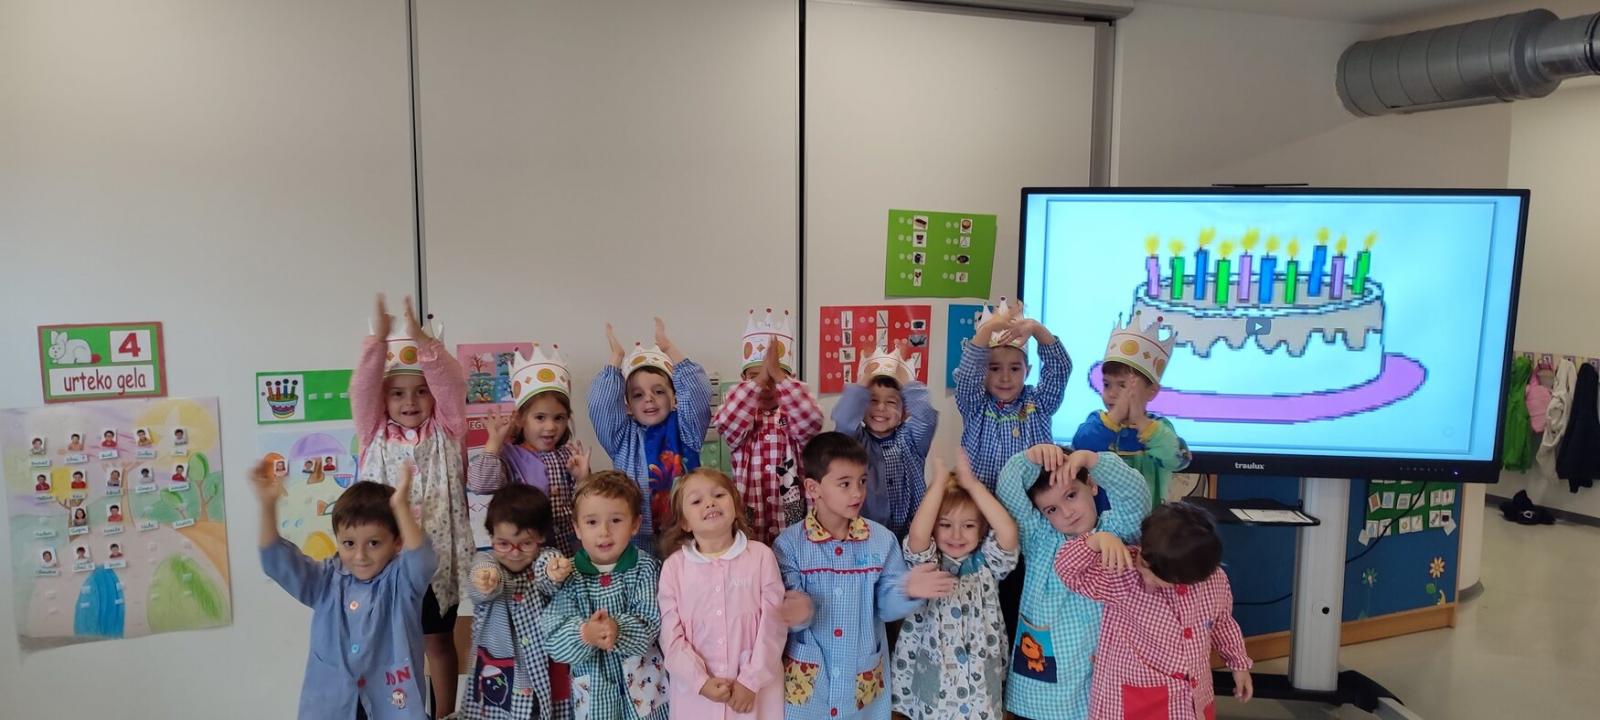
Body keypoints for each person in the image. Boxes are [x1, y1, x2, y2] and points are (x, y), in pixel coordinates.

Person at [773, 433, 955, 720]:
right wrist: (799, 611)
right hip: (809, 690)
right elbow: (790, 610)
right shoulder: (789, 545)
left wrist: (907, 589)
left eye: (862, 481)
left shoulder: (881, 541)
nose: (857, 493)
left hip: (860, 686)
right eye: (844, 483)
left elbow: (886, 607)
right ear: (813, 488)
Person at [352, 293, 474, 717]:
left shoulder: (448, 429)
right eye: (398, 393)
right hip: (386, 566)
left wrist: (424, 344)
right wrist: (377, 342)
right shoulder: (372, 432)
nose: (410, 402)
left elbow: (451, 383)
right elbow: (362, 388)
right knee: (391, 646)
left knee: (438, 641)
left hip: (437, 565)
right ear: (382, 399)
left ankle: (444, 713)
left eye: (422, 391)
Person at [254, 457, 434, 719]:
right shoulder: (325, 580)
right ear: (337, 540)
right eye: (349, 543)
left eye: (374, 543)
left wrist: (401, 507)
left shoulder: (401, 582)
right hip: (332, 707)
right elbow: (276, 562)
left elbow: (423, 559)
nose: (360, 556)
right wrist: (267, 505)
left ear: (397, 543)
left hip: (392, 707)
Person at [1055, 502, 1254, 718]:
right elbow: (1068, 570)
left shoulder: (1213, 581)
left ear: (1186, 579)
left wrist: (1238, 665)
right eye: (1144, 562)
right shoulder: (1124, 572)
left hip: (1190, 699)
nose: (1146, 576)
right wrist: (1096, 540)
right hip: (1132, 698)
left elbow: (1222, 624)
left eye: (1157, 578)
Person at [996, 445, 1150, 720]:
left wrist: (1093, 461)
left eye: (1071, 495)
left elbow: (1135, 494)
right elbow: (1008, 489)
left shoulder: (1118, 531)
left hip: (1101, 686)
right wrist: (1028, 459)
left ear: (1091, 485)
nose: (1067, 513)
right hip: (1043, 693)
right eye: (1052, 509)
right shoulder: (1039, 538)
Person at [889, 452, 1018, 720]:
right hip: (936, 681)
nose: (956, 535)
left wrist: (973, 485)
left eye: (968, 525)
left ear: (981, 530)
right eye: (945, 524)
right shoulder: (928, 566)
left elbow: (1007, 533)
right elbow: (917, 536)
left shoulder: (988, 565)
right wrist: (938, 485)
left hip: (978, 681)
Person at [657, 468, 786, 719]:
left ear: (736, 507)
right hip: (696, 698)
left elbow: (774, 624)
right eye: (696, 501)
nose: (710, 503)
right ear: (684, 522)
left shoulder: (761, 557)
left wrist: (751, 681)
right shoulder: (674, 568)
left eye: (718, 495)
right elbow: (670, 636)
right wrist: (700, 681)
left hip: (755, 695)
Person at [541, 471, 668, 720]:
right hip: (595, 698)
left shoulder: (646, 568)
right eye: (592, 522)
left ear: (635, 524)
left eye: (616, 520)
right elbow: (552, 634)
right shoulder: (569, 575)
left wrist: (617, 629)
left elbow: (651, 621)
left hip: (646, 696)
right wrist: (584, 633)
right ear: (577, 528)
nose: (604, 532)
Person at [588, 318, 711, 549]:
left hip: (685, 532)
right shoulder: (622, 437)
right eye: (638, 395)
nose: (649, 399)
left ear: (673, 398)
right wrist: (615, 360)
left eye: (658, 391)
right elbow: (600, 406)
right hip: (636, 536)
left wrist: (669, 349)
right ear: (627, 405)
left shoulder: (685, 428)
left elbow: (698, 394)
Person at [463, 484, 574, 720]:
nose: (514, 553)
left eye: (525, 543)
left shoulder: (544, 559)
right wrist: (485, 580)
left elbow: (548, 569)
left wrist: (555, 571)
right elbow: (482, 577)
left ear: (541, 537)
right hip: (500, 673)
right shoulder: (487, 562)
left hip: (543, 671)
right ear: (491, 536)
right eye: (503, 544)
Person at [472, 342, 590, 556]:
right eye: (540, 418)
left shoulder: (568, 454)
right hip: (528, 556)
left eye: (559, 418)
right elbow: (481, 485)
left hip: (571, 552)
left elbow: (587, 506)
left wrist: (583, 478)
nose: (551, 427)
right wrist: (494, 444)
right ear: (519, 419)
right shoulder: (510, 456)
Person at [715, 314, 823, 544]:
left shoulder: (791, 415)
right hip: (750, 517)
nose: (765, 386)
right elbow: (725, 421)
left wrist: (779, 376)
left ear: (788, 380)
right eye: (755, 378)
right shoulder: (744, 418)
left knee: (791, 558)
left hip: (792, 518)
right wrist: (763, 376)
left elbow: (812, 419)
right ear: (744, 380)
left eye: (772, 380)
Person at [1072, 312, 1190, 503]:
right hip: (1104, 519)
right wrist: (1116, 414)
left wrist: (1141, 422)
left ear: (1151, 391)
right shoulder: (1098, 422)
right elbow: (1081, 445)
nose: (1112, 394)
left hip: (1150, 519)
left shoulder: (1159, 427)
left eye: (1123, 386)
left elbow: (1177, 459)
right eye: (1107, 385)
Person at [830, 341, 937, 539]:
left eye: (891, 402)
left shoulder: (912, 440)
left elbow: (926, 418)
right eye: (872, 400)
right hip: (865, 537)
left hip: (910, 537)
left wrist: (905, 381)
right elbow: (844, 419)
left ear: (905, 412)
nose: (880, 408)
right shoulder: (855, 442)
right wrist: (865, 380)